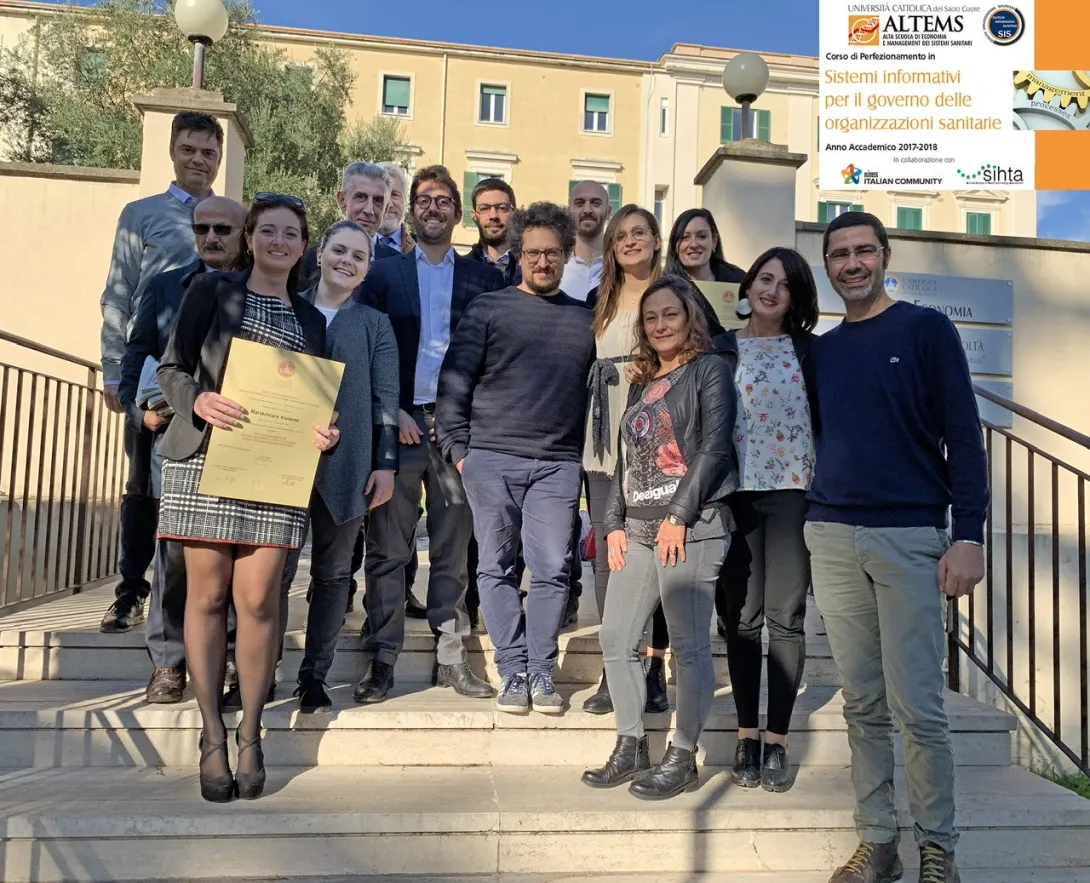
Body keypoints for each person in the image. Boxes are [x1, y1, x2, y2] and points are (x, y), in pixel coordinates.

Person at [808, 211, 988, 883]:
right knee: (862, 703)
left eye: (863, 251)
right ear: (828, 265)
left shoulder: (926, 330)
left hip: (910, 536)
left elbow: (963, 435)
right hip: (832, 536)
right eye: (839, 254)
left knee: (918, 707)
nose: (852, 263)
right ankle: (878, 843)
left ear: (885, 256)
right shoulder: (822, 350)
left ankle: (937, 850)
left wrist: (968, 534)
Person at [156, 193, 334, 802]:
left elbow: (315, 401)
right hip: (206, 462)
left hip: (275, 473)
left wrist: (325, 433)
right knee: (207, 596)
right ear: (250, 237)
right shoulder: (212, 292)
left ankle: (251, 734)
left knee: (258, 600)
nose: (279, 242)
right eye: (269, 231)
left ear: (303, 246)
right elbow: (172, 369)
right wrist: (199, 400)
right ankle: (212, 734)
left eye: (291, 234)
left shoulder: (312, 320)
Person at [437, 202, 595, 714]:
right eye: (533, 253)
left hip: (556, 464)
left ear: (566, 254)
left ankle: (542, 671)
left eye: (552, 253)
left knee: (553, 569)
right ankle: (513, 670)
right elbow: (454, 383)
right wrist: (460, 453)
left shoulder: (585, 320)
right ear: (519, 254)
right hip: (490, 459)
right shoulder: (488, 309)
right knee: (495, 567)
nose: (542, 261)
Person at [581, 275, 736, 799]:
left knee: (688, 647)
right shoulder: (644, 381)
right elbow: (624, 461)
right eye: (650, 318)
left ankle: (683, 755)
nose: (660, 324)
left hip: (691, 526)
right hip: (638, 528)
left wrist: (678, 515)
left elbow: (714, 447)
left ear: (689, 316)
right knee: (616, 638)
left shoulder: (710, 369)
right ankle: (631, 746)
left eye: (670, 314)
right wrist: (612, 523)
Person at [356, 165, 504, 704]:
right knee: (388, 549)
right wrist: (393, 410)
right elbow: (365, 351)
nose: (433, 208)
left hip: (457, 431)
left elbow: (496, 359)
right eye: (424, 200)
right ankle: (382, 657)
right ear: (410, 209)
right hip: (398, 427)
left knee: (452, 549)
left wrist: (461, 416)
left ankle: (451, 657)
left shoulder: (485, 280)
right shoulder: (382, 275)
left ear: (458, 213)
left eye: (443, 200)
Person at [98, 111, 225, 634]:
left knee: (197, 489)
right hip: (153, 369)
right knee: (142, 488)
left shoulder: (228, 216)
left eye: (209, 152)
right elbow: (118, 291)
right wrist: (114, 371)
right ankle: (130, 591)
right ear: (173, 151)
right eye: (189, 149)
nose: (199, 160)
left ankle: (189, 598)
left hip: (208, 376)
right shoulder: (142, 213)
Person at [118, 196, 247, 704]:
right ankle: (169, 663)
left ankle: (232, 657)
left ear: (244, 232)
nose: (211, 237)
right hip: (178, 436)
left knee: (236, 553)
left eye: (223, 229)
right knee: (174, 555)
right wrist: (138, 414)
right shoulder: (165, 285)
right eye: (202, 228)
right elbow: (138, 352)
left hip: (242, 439)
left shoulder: (263, 288)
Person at [283, 220, 400, 714]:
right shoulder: (286, 307)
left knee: (332, 575)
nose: (346, 261)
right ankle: (251, 670)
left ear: (367, 269)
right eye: (339, 250)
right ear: (320, 253)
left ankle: (314, 676)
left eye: (358, 256)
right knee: (272, 572)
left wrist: (385, 465)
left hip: (347, 462)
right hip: (281, 460)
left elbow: (385, 400)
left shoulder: (374, 324)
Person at [716, 247, 819, 793]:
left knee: (785, 617)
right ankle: (746, 734)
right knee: (740, 618)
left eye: (783, 284)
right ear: (748, 284)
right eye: (763, 278)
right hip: (735, 495)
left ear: (796, 298)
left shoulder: (810, 351)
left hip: (792, 495)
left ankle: (776, 739)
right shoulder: (720, 348)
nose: (771, 290)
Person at [581, 205, 670, 716]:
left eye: (640, 232)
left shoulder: (674, 294)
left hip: (655, 437)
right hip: (603, 436)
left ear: (656, 239)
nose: (631, 241)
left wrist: (655, 366)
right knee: (607, 553)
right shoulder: (601, 298)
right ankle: (615, 665)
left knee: (653, 554)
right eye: (621, 236)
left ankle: (652, 669)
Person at [298, 162, 391, 290]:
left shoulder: (397, 265)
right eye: (361, 197)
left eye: (378, 201)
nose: (369, 210)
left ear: (386, 209)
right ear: (342, 200)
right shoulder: (308, 260)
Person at [559, 180, 611, 302]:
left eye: (595, 203)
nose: (587, 210)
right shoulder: (555, 264)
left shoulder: (621, 265)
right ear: (569, 211)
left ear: (608, 212)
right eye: (579, 203)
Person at [466, 177, 521, 286]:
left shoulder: (530, 269)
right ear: (474, 215)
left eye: (502, 208)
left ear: (514, 213)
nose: (493, 215)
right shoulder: (461, 271)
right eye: (484, 208)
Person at [375, 161, 415, 256]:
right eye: (381, 195)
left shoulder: (420, 250)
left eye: (395, 195)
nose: (388, 204)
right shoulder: (350, 245)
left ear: (405, 200)